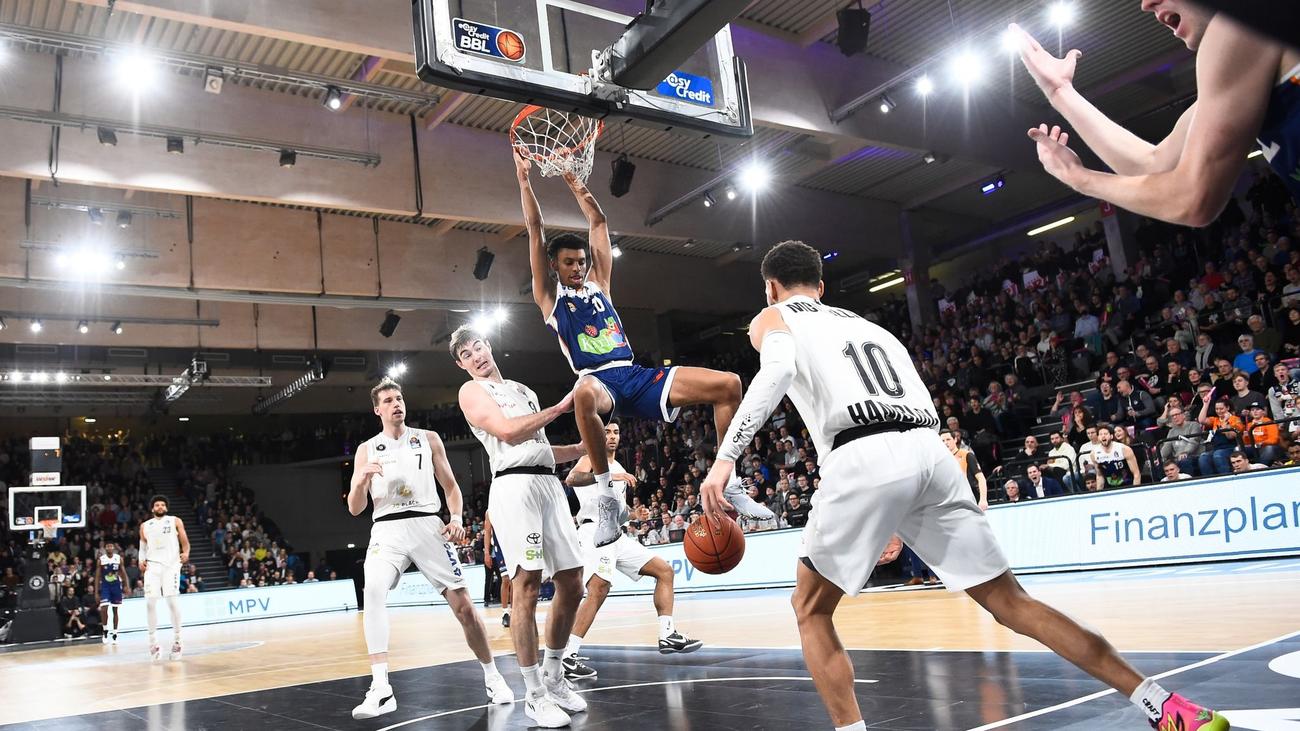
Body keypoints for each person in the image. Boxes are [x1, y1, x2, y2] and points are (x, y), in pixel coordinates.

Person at [696, 241, 1227, 731]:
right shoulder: (870, 327)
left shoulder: (772, 316)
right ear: (822, 285)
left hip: (861, 453)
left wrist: (725, 459)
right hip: (932, 448)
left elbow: (775, 374)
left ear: (770, 287)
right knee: (1012, 602)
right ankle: (1164, 705)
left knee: (810, 609)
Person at [513, 150, 771, 548]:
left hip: (634, 374)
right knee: (581, 393)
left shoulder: (600, 285)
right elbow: (534, 229)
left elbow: (598, 221)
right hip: (598, 383)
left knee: (730, 384)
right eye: (569, 263)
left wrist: (573, 181)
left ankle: (729, 479)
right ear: (554, 266)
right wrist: (526, 180)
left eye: (582, 261)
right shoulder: (550, 298)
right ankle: (606, 500)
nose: (578, 267)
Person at [1012, 2, 1300, 227]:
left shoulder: (1237, 23)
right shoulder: (1253, 55)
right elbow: (1155, 167)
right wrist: (1060, 92)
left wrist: (1080, 179)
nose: (1146, 4)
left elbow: (1191, 197)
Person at [346, 378, 513, 720]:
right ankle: (381, 687)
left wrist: (454, 517)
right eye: (388, 400)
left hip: (428, 524)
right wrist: (361, 479)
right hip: (387, 529)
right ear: (377, 410)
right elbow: (354, 507)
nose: (396, 404)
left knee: (464, 608)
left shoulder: (428, 439)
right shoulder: (367, 449)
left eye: (399, 398)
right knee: (373, 590)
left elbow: (451, 486)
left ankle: (493, 677)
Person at [454, 325, 589, 728]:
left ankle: (554, 674)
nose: (476, 355)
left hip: (547, 483)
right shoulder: (472, 392)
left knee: (573, 581)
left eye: (478, 346)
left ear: (489, 346)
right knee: (527, 582)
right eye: (466, 354)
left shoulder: (523, 390)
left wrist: (584, 448)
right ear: (461, 365)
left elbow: (541, 448)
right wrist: (562, 408)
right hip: (514, 488)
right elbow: (511, 434)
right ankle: (533, 694)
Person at [562, 421, 701, 680]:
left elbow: (620, 510)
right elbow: (572, 479)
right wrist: (608, 476)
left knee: (664, 571)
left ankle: (667, 634)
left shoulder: (620, 467)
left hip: (617, 534)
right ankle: (568, 655)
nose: (612, 436)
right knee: (599, 590)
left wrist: (635, 513)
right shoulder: (590, 457)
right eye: (606, 432)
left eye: (615, 432)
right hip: (594, 532)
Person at [140, 496, 189, 662]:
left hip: (171, 565)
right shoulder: (145, 526)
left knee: (172, 602)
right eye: (156, 505)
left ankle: (178, 640)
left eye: (162, 504)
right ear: (152, 509)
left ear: (166, 508)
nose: (160, 506)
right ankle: (153, 642)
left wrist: (186, 552)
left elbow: (184, 540)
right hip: (153, 566)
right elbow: (142, 546)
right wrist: (141, 560)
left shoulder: (174, 520)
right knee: (150, 602)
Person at [941, 430, 988, 511]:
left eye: (948, 439)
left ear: (955, 439)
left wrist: (983, 499)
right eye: (943, 441)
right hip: (952, 501)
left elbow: (981, 478)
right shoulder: (941, 461)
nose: (945, 443)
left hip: (970, 497)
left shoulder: (967, 455)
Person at [482, 512, 511, 628]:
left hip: (514, 545)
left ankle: (515, 611)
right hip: (500, 548)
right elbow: (487, 532)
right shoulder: (490, 511)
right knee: (506, 579)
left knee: (516, 581)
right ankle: (505, 613)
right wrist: (487, 553)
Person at [1092, 424, 1143, 490]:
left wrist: (1135, 491)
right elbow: (1099, 476)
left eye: (1105, 434)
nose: (1103, 436)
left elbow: (1136, 474)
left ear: (1111, 436)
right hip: (1109, 488)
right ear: (1098, 437)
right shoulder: (1094, 454)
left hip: (1127, 485)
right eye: (1100, 434)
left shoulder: (1124, 449)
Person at [95, 541, 125, 644]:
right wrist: (96, 592)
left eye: (111, 546)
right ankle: (105, 630)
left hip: (116, 586)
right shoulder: (101, 560)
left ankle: (115, 633)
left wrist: (127, 586)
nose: (109, 548)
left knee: (115, 611)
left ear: (113, 548)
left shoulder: (119, 559)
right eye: (107, 546)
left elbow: (123, 572)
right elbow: (97, 576)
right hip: (105, 586)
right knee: (104, 609)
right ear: (105, 548)